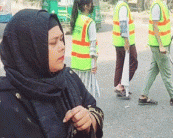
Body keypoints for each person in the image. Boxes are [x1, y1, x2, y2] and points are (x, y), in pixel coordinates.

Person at [0, 9, 104, 137]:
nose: (62, 46)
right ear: (29, 50)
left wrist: (89, 120)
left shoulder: (68, 78)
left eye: (61, 39)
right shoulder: (5, 100)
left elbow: (93, 108)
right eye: (53, 42)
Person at [70, 0, 100, 98]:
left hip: (76, 62)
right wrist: (94, 63)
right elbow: (92, 45)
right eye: (91, 4)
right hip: (86, 63)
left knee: (78, 90)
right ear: (86, 6)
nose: (93, 6)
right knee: (88, 91)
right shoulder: (89, 22)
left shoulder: (76, 20)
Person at [113, 0, 138, 99]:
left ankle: (118, 85)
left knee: (120, 64)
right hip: (125, 41)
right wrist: (126, 40)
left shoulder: (119, 5)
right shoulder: (123, 6)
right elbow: (123, 24)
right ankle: (121, 85)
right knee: (133, 62)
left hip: (118, 41)